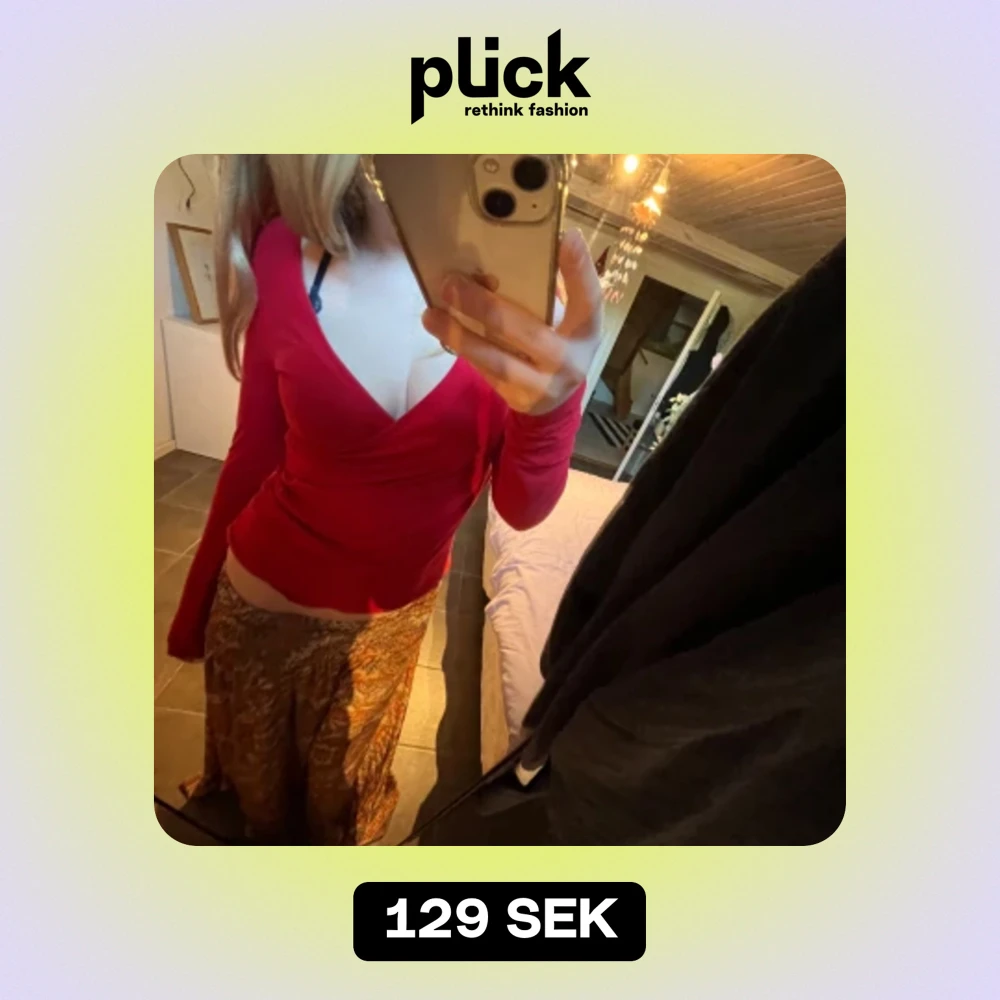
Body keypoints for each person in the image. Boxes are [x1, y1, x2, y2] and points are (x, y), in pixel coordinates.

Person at [167, 154, 603, 845]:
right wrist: (193, 611)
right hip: (255, 610)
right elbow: (254, 452)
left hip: (388, 631)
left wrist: (555, 408)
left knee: (339, 819)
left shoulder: (530, 316)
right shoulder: (285, 251)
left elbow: (521, 509)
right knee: (255, 819)